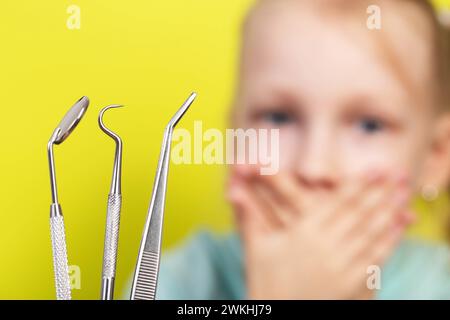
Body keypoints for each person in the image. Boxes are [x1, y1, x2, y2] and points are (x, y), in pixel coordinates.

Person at [154, 0, 450, 299]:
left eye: (369, 125)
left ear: (435, 154)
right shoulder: (174, 282)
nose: (314, 167)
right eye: (278, 117)